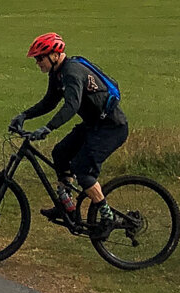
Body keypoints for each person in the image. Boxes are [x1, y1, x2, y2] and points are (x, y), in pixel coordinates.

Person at [11, 32, 127, 227]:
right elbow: (49, 102)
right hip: (93, 125)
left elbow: (71, 106)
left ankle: (108, 217)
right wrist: (24, 115)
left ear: (55, 55)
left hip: (111, 128)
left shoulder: (72, 72)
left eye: (40, 58)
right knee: (60, 153)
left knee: (83, 173)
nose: (37, 62)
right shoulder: (57, 74)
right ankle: (67, 206)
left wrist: (48, 128)